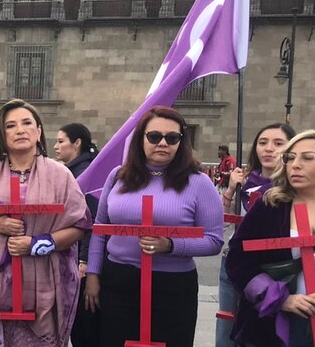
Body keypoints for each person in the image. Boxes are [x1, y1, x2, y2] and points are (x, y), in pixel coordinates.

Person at [84, 106, 224, 347]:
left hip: (171, 287)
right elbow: (100, 229)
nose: (163, 143)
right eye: (154, 136)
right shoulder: (118, 177)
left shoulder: (199, 183)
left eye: (172, 138)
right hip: (119, 281)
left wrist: (170, 245)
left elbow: (214, 240)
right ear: (141, 139)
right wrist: (93, 275)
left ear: (182, 142)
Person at [0, 101, 90, 346]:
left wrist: (36, 244)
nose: (20, 130)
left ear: (38, 131)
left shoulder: (60, 175)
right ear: (2, 135)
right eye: (10, 125)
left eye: (27, 123)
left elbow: (79, 224)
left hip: (43, 281)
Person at [225, 130, 315, 346]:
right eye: (290, 157)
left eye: (307, 158)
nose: (295, 165)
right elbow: (238, 260)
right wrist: (281, 299)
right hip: (270, 325)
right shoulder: (269, 207)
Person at [215, 123, 294, 347]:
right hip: (236, 262)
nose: (268, 149)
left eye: (278, 143)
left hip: (275, 268)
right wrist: (230, 190)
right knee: (227, 326)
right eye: (263, 143)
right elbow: (222, 224)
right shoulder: (244, 181)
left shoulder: (293, 187)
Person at [53, 122, 100, 347]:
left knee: (83, 327)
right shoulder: (73, 171)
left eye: (61, 141)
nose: (56, 146)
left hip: (81, 263)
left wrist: (85, 260)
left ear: (77, 143)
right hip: (75, 257)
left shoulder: (84, 174)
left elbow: (92, 220)